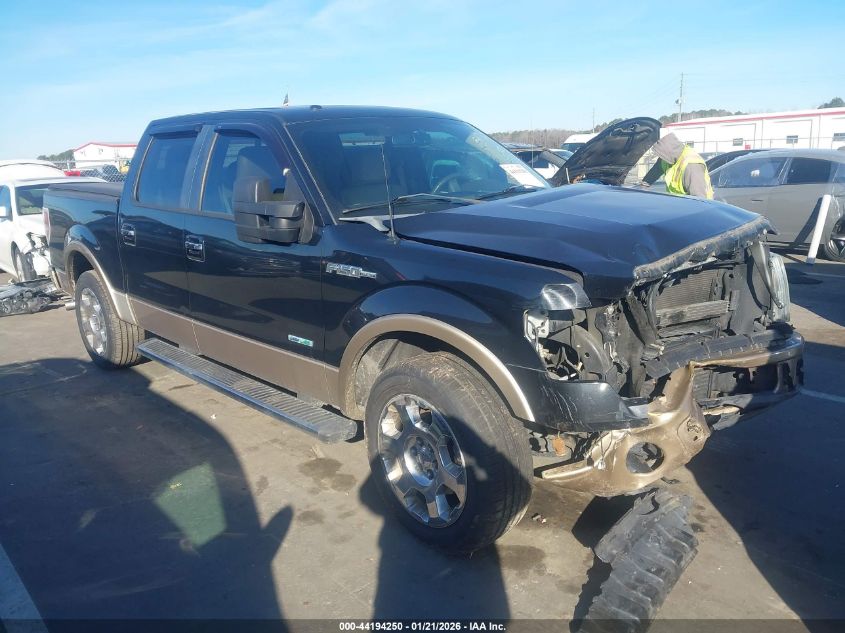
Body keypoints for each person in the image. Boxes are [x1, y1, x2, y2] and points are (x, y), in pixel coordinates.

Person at [644, 132, 714, 199]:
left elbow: (699, 199)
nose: (660, 158)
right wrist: (644, 184)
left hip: (697, 205)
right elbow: (654, 172)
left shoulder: (691, 166)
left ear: (668, 152)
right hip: (678, 202)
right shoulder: (667, 157)